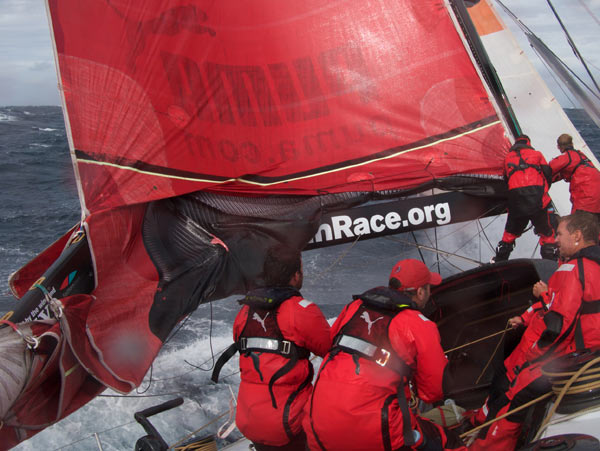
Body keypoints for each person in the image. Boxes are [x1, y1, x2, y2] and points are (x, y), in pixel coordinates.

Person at [469, 211, 600, 450]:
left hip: (562, 359)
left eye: (560, 234)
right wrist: (526, 317)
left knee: (513, 397)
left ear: (578, 236)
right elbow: (559, 307)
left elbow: (559, 324)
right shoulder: (591, 268)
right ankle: (479, 421)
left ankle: (485, 445)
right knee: (505, 376)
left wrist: (531, 358)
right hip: (580, 354)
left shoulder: (573, 270)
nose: (556, 239)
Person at [305, 259, 465, 451]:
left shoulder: (354, 307)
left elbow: (330, 346)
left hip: (318, 427)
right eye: (429, 287)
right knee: (449, 443)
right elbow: (433, 391)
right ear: (421, 292)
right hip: (375, 433)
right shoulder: (418, 324)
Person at [211, 245, 331, 451]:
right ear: (295, 276)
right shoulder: (301, 311)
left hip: (249, 421)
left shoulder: (245, 313)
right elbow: (333, 352)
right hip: (289, 424)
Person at [493, 135, 557, 262]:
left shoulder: (507, 158)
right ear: (528, 143)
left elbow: (506, 179)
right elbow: (548, 173)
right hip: (538, 202)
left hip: (516, 203)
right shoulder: (537, 154)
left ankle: (499, 261)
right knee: (547, 234)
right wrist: (543, 190)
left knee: (509, 236)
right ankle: (550, 263)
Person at [549, 133, 600, 220]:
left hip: (585, 198)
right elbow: (565, 172)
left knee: (578, 224)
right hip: (597, 196)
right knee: (594, 225)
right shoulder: (582, 156)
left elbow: (548, 169)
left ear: (559, 147)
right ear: (572, 144)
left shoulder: (566, 157)